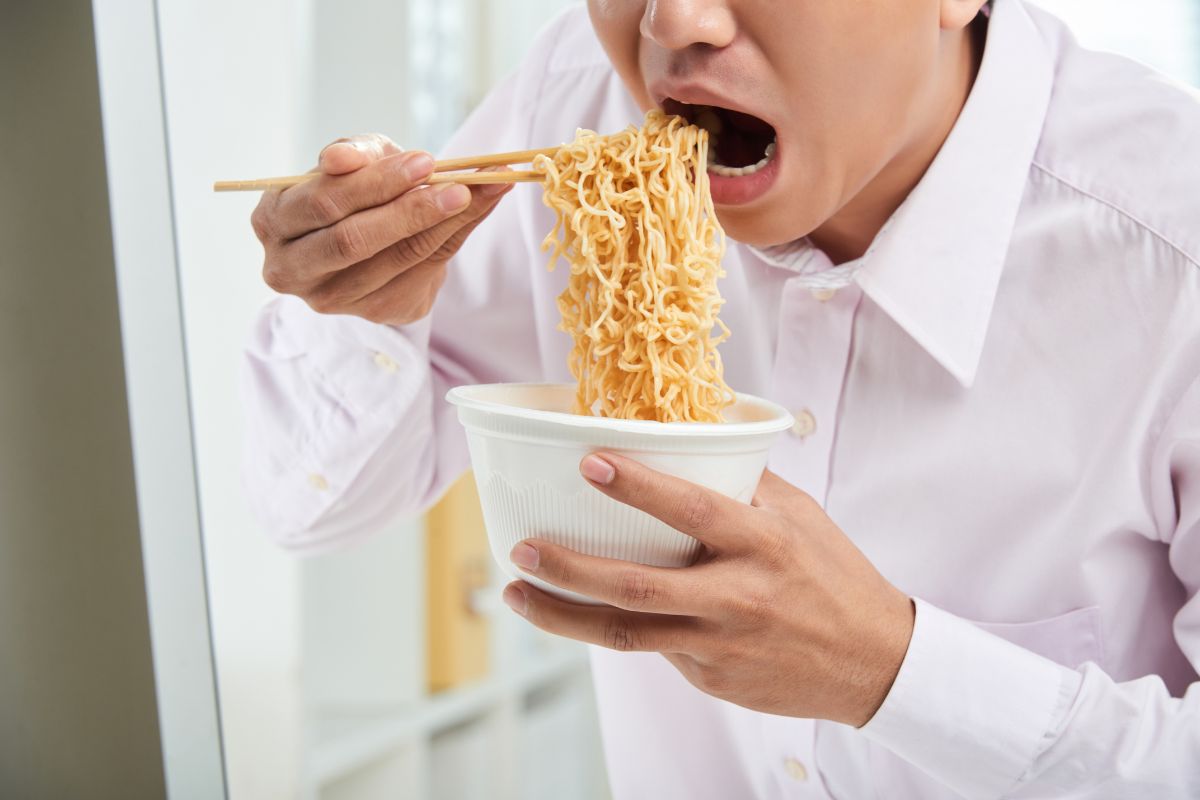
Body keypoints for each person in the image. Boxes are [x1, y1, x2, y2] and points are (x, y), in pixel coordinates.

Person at [241, 0, 1200, 796]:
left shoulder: (1169, 248)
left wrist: (890, 671)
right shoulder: (577, 104)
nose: (674, 23)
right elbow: (317, 502)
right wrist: (367, 301)